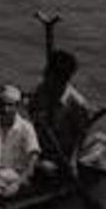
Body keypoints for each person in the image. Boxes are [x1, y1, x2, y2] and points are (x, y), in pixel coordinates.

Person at [28, 49, 94, 177]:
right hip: (42, 144)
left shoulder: (76, 104)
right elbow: (32, 110)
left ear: (63, 79)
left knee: (47, 169)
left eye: (49, 76)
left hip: (62, 151)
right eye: (45, 73)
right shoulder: (42, 89)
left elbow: (80, 135)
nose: (44, 77)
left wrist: (72, 161)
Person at [0, 85, 40, 196]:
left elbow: (31, 165)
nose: (5, 109)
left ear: (17, 106)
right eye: (1, 105)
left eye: (9, 105)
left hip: (16, 178)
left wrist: (16, 185)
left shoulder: (26, 128)